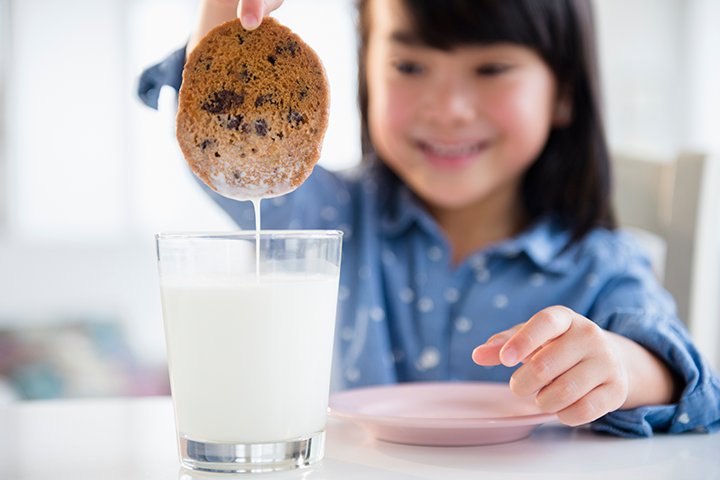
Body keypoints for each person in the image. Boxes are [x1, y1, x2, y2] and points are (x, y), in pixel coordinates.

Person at [138, 0, 720, 437]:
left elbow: (689, 383)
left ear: (564, 91)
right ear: (366, 72)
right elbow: (223, 142)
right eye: (410, 66)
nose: (447, 109)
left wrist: (622, 366)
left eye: (491, 68)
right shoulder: (330, 220)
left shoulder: (597, 265)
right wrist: (230, 13)